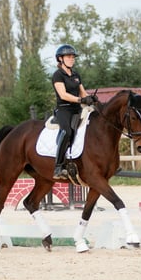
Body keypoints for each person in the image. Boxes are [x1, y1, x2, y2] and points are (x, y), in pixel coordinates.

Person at [52, 44, 95, 179]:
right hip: (64, 109)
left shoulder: (76, 75)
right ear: (60, 59)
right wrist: (80, 100)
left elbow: (82, 93)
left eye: (73, 57)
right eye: (69, 57)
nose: (72, 59)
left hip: (77, 109)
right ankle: (58, 167)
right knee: (67, 132)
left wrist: (90, 98)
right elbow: (63, 95)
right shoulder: (58, 75)